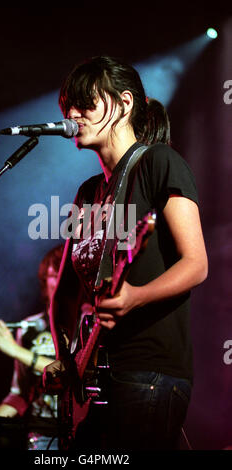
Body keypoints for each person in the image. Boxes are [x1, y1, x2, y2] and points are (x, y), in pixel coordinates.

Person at [43, 55, 208, 451]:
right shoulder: (86, 195)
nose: (74, 114)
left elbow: (196, 264)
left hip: (148, 372)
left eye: (86, 104)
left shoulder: (160, 163)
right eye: (69, 107)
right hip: (92, 382)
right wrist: (67, 358)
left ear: (124, 103)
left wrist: (136, 296)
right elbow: (64, 293)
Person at [0, 244, 64, 450]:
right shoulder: (29, 328)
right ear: (44, 282)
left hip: (84, 432)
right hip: (41, 434)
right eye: (53, 276)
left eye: (64, 274)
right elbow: (20, 394)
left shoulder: (89, 320)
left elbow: (69, 372)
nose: (59, 282)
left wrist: (16, 350)